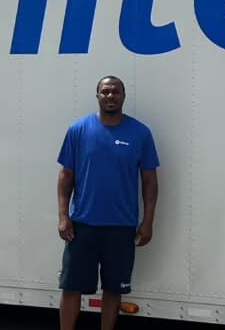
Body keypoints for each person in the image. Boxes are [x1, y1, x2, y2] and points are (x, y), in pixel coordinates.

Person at [56, 76, 159, 330]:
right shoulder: (78, 130)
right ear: (97, 96)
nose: (110, 96)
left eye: (115, 92)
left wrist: (148, 221)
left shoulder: (140, 133)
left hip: (121, 227)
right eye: (105, 92)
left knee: (114, 289)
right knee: (72, 288)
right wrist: (62, 215)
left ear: (124, 96)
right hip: (82, 226)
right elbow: (65, 176)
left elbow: (149, 181)